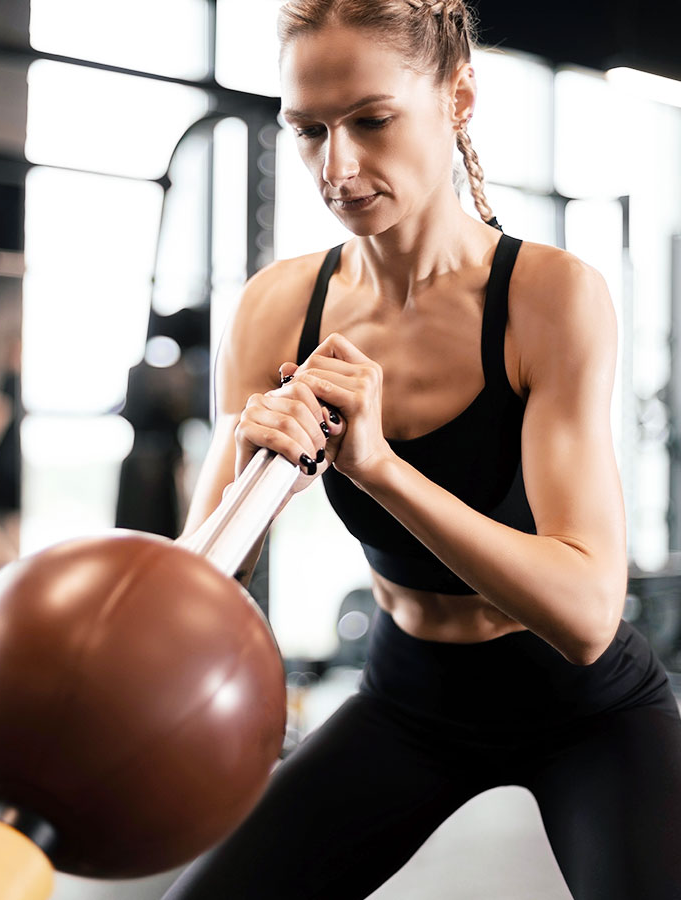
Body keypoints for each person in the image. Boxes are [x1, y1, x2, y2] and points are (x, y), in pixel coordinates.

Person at [163, 1, 681, 898]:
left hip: (583, 709)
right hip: (408, 698)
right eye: (309, 130)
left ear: (459, 97)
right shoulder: (277, 307)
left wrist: (381, 471)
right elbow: (196, 586)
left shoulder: (548, 297)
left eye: (371, 120)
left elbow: (589, 609)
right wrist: (254, 477)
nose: (339, 167)